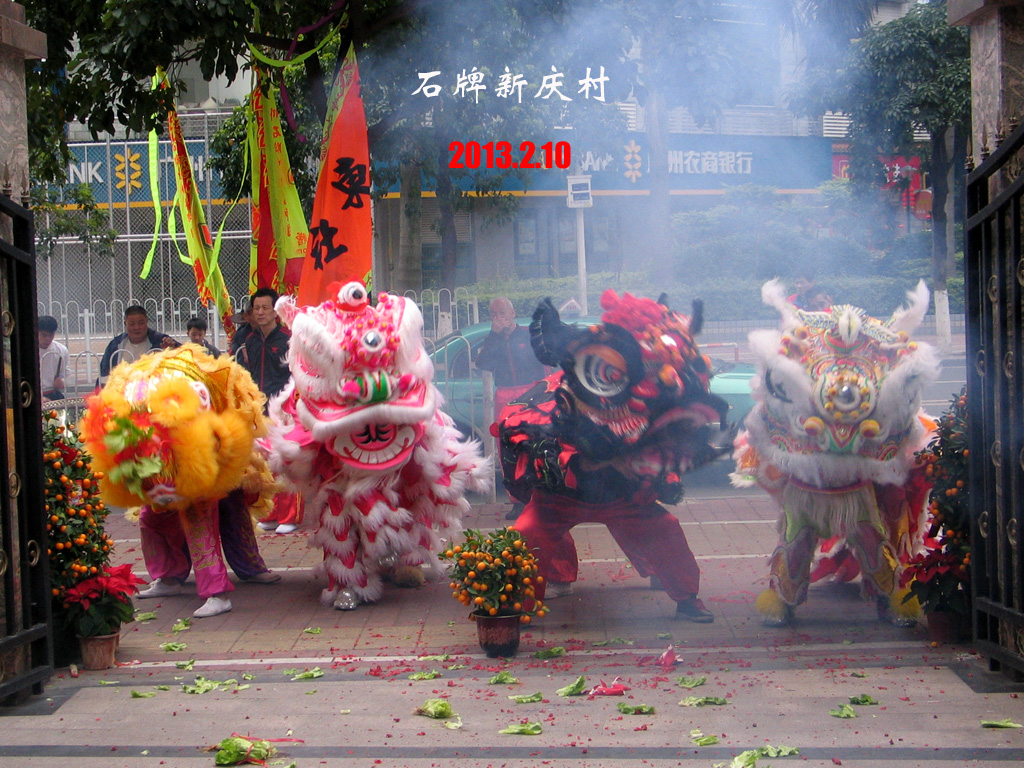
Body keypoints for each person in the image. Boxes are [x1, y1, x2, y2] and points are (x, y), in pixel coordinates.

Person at [473, 297, 548, 521]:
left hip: (531, 394)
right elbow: (483, 364)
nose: (499, 318)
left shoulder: (528, 334)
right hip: (505, 395)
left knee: (536, 447)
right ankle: (517, 500)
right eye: (494, 314)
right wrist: (494, 335)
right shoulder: (492, 339)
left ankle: (541, 498)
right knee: (508, 449)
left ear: (513, 313)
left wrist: (544, 395)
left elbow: (546, 364)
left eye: (502, 312)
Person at [240, 287, 302, 534]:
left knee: (285, 462)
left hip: (284, 410)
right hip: (259, 409)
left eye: (266, 308)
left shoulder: (287, 339)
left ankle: (289, 515)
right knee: (264, 462)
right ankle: (269, 512)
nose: (261, 312)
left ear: (276, 312)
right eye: (257, 308)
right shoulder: (250, 341)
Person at [98, 305, 177, 384]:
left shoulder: (162, 341)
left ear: (147, 322)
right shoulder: (115, 345)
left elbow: (182, 360)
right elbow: (103, 375)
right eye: (132, 324)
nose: (136, 327)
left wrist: (172, 350)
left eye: (141, 323)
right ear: (125, 324)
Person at [38, 315, 70, 401]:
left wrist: (61, 382)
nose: (48, 339)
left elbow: (65, 374)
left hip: (53, 393)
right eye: (44, 335)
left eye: (51, 335)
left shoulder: (61, 350)